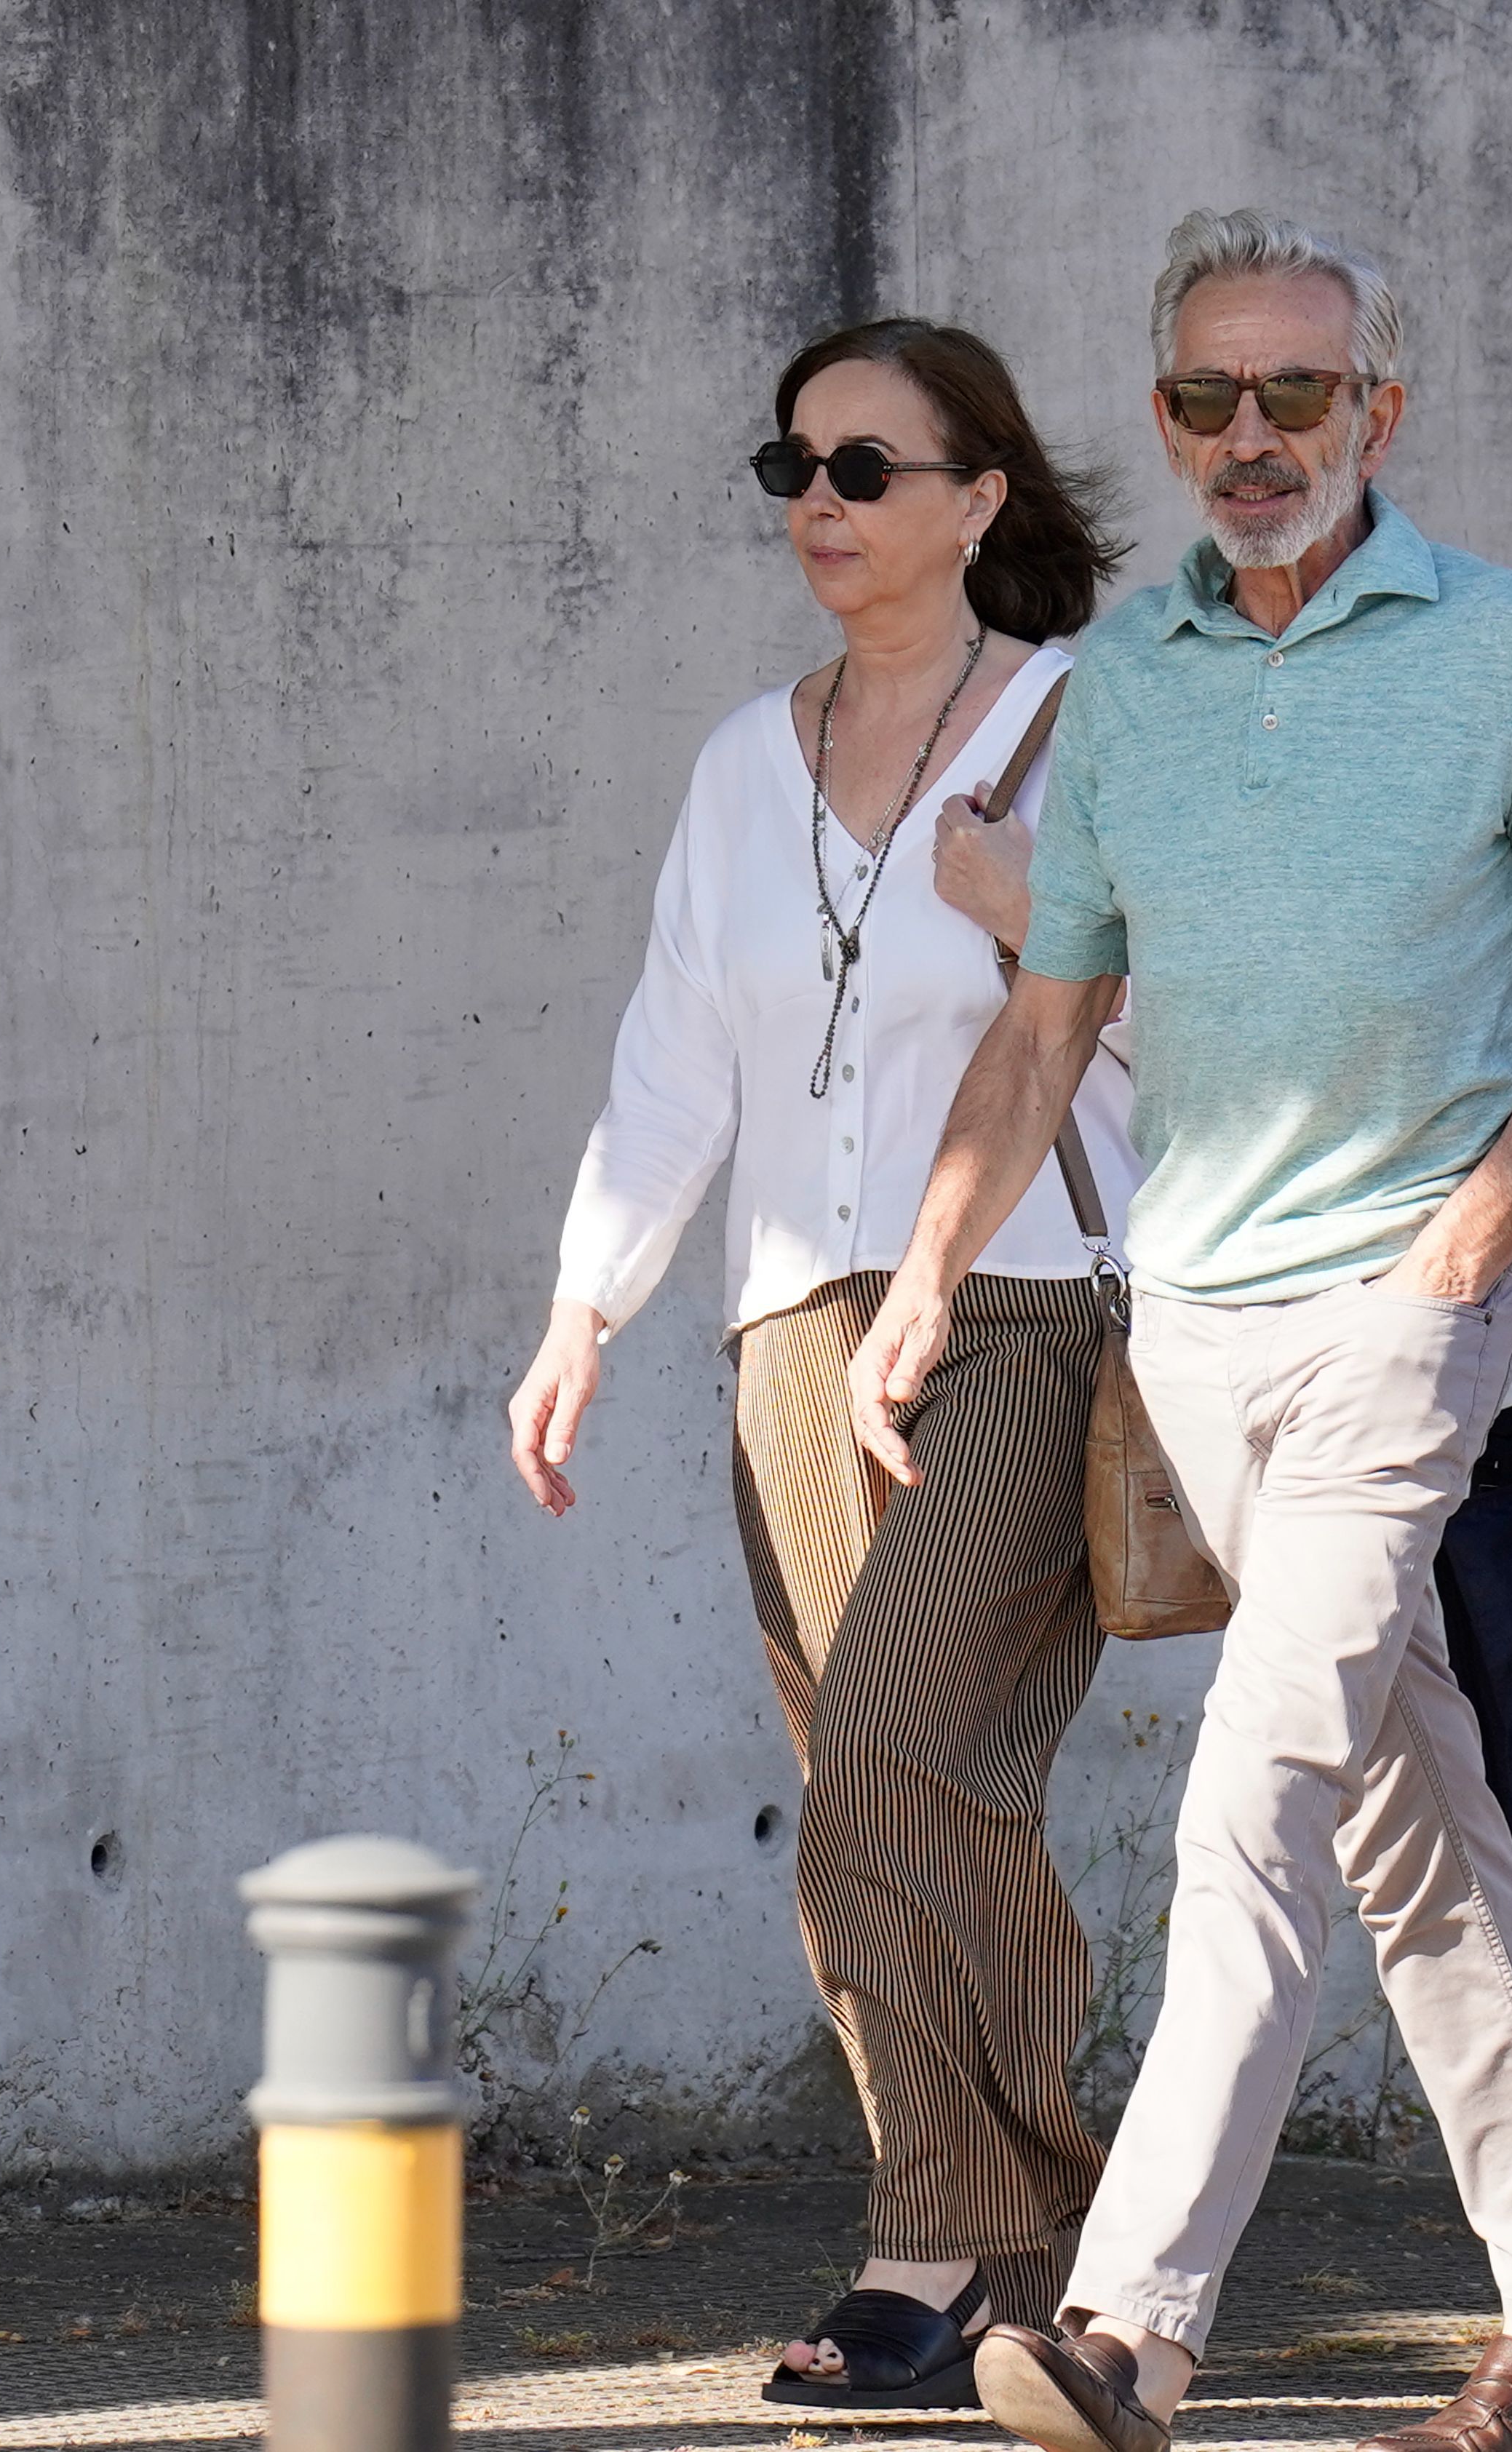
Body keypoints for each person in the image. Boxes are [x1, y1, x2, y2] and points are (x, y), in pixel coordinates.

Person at [837, 210, 1512, 2452]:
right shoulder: (1127, 679)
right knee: (1412, 1825)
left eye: (1298, 391)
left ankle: (1131, 2326)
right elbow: (1048, 1022)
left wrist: (1476, 1237)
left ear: (1378, 411)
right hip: (1195, 1335)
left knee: (1259, 1796)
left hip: (1409, 1314)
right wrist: (926, 1273)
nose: (1253, 435)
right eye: (1208, 396)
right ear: (1167, 419)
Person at [503, 319, 1142, 2411]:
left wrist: (1036, 916)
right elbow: (676, 1057)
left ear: (981, 497)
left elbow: (1209, 1030)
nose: (823, 504)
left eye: (871, 467)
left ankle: (962, 2235)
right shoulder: (738, 762)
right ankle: (1011, 2246)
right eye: (798, 466)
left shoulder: (1089, 721)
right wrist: (587, 1304)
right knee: (871, 1808)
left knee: (894, 1755)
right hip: (790, 1329)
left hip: (1022, 1311)